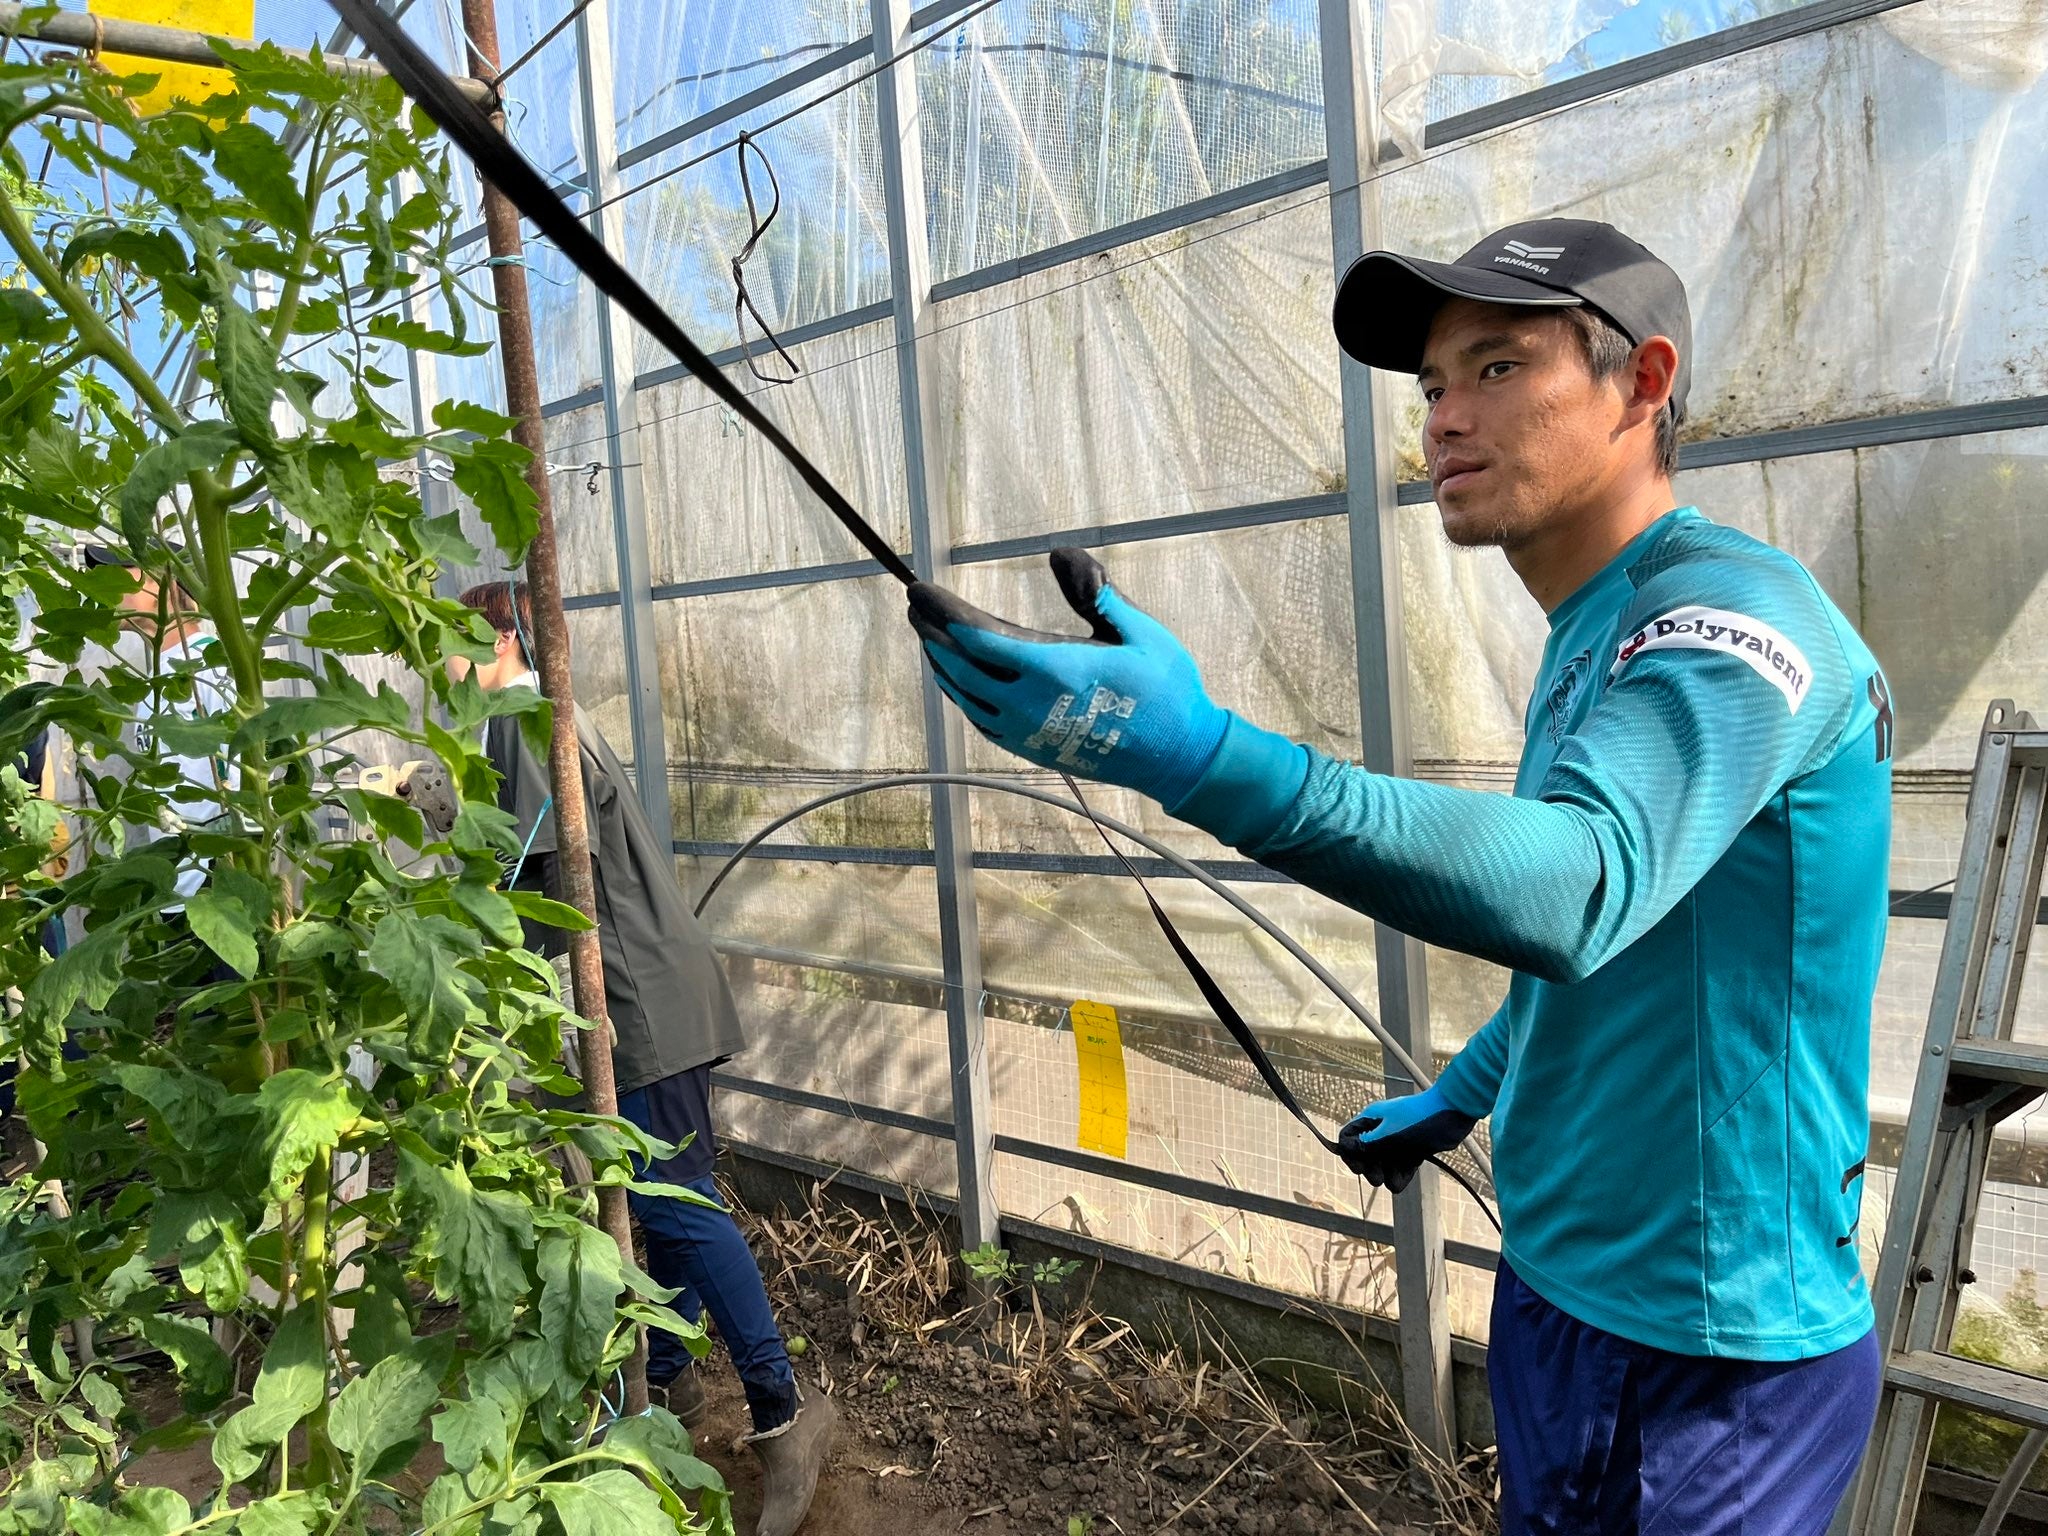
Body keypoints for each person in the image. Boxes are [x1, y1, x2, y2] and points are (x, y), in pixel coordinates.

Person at [906, 220, 1892, 1531]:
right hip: (1560, 1294)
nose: (1443, 418)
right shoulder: (1593, 629)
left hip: (1721, 1348)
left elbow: (1579, 890)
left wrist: (1204, 756)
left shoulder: (1733, 624)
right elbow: (1635, 952)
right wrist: (1462, 1093)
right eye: (1431, 387)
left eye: (1497, 369)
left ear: (1644, 382)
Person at [449, 579, 835, 1536]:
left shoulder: (517, 719)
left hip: (639, 1006)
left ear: (498, 637)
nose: (436, 668)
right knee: (656, 1205)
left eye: (446, 645)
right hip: (641, 995)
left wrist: (443, 844)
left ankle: (786, 1412)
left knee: (673, 1201)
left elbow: (525, 878)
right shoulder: (546, 713)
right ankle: (667, 1387)